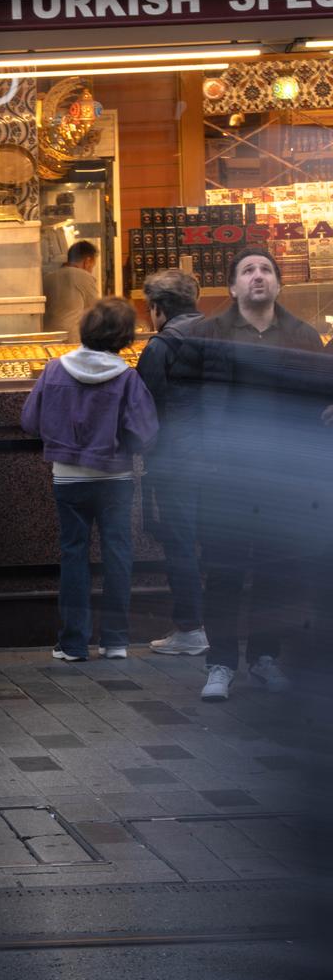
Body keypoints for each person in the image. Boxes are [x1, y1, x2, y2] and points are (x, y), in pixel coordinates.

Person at [181, 248, 325, 701]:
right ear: (232, 286)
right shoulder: (207, 334)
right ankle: (220, 663)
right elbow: (181, 397)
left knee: (275, 572)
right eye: (248, 271)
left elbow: (322, 392)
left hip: (284, 478)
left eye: (266, 269)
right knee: (224, 571)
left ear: (278, 284)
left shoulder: (302, 336)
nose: (258, 276)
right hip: (226, 475)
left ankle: (264, 658)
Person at [21, 297, 158, 662]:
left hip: (68, 478)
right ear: (125, 337)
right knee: (118, 553)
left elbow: (30, 421)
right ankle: (115, 641)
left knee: (73, 555)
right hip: (116, 477)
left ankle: (73, 643)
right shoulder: (128, 377)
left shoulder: (53, 370)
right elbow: (145, 432)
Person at [137, 270, 208, 656]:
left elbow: (143, 407)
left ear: (158, 308)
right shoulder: (221, 335)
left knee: (179, 544)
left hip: (176, 462)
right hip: (223, 459)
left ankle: (190, 628)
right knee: (217, 544)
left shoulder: (160, 347)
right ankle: (222, 625)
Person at [43, 239, 100, 342]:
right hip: (71, 339)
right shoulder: (84, 277)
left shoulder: (48, 278)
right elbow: (95, 310)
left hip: (48, 337)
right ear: (87, 261)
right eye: (92, 266)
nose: (91, 270)